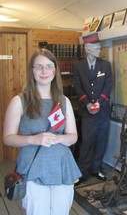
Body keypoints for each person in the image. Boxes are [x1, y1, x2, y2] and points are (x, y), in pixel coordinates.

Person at [3, 49, 82, 215]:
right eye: (39, 67)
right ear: (32, 71)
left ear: (55, 71)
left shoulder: (63, 101)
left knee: (61, 212)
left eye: (49, 66)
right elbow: (8, 138)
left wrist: (59, 138)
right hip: (34, 166)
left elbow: (73, 137)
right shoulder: (20, 101)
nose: (44, 71)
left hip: (62, 166)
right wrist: (34, 139)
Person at [73, 37, 112, 182]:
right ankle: (82, 172)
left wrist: (99, 103)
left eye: (99, 47)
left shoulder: (106, 65)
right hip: (87, 111)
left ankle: (96, 169)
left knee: (101, 140)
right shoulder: (78, 66)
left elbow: (108, 86)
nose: (99, 50)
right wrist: (88, 104)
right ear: (87, 49)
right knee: (87, 142)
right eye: (96, 48)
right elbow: (77, 86)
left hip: (102, 111)